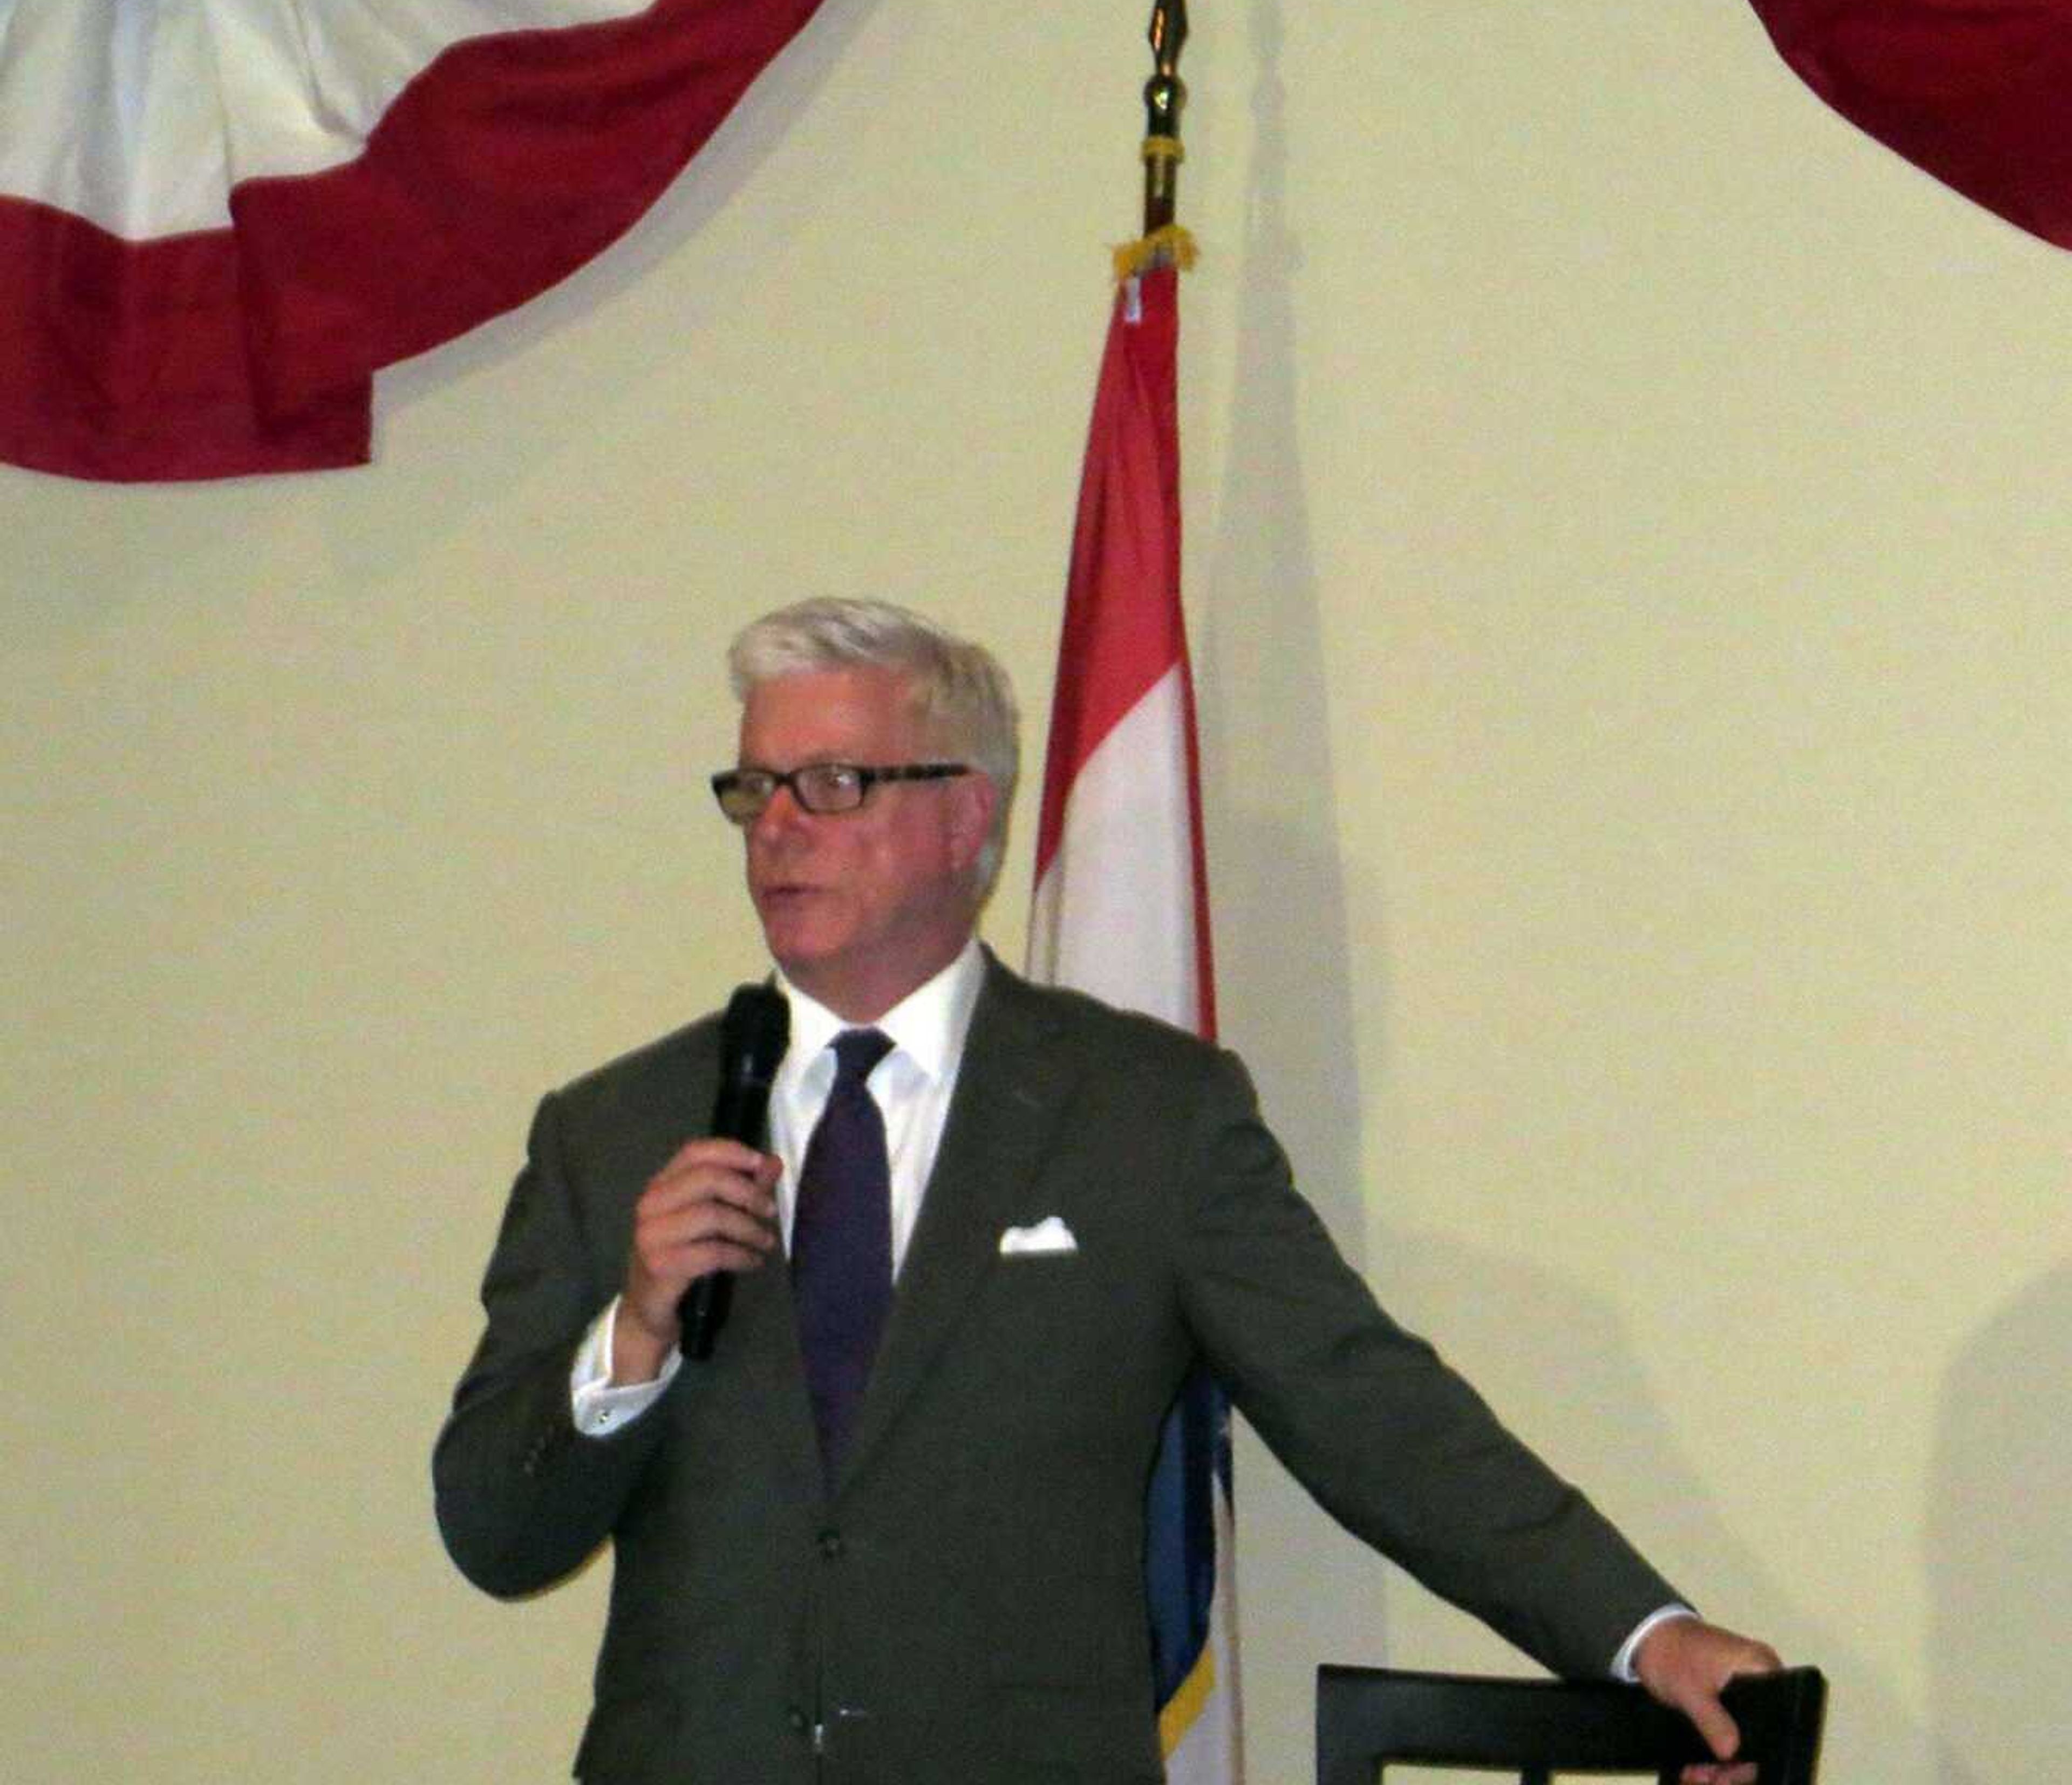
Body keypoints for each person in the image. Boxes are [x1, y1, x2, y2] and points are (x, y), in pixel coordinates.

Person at [434, 596, 1781, 1785]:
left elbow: (1369, 1409)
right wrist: (635, 1334)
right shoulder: (611, 1133)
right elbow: (495, 1531)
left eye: (833, 783)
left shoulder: (1145, 1116)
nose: (779, 829)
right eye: (756, 788)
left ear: (969, 813)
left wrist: (1640, 1632)